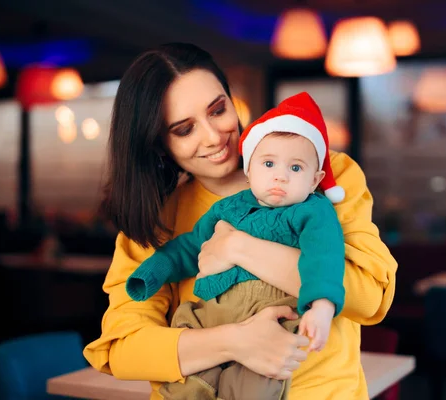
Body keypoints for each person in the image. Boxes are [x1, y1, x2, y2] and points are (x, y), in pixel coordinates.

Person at [83, 42, 398, 400]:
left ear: (232, 101)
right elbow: (123, 349)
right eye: (184, 129)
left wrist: (240, 248)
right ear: (159, 145)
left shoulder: (323, 175)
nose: (214, 137)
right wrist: (236, 342)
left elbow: (368, 297)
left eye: (217, 110)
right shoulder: (157, 217)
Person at [125, 92, 346, 400]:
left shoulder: (314, 211)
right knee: (187, 342)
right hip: (214, 308)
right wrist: (153, 272)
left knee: (254, 384)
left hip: (271, 313)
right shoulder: (227, 209)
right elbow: (190, 247)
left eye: (295, 168)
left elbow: (324, 258)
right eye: (269, 163)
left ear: (314, 179)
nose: (280, 176)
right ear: (250, 169)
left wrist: (322, 307)